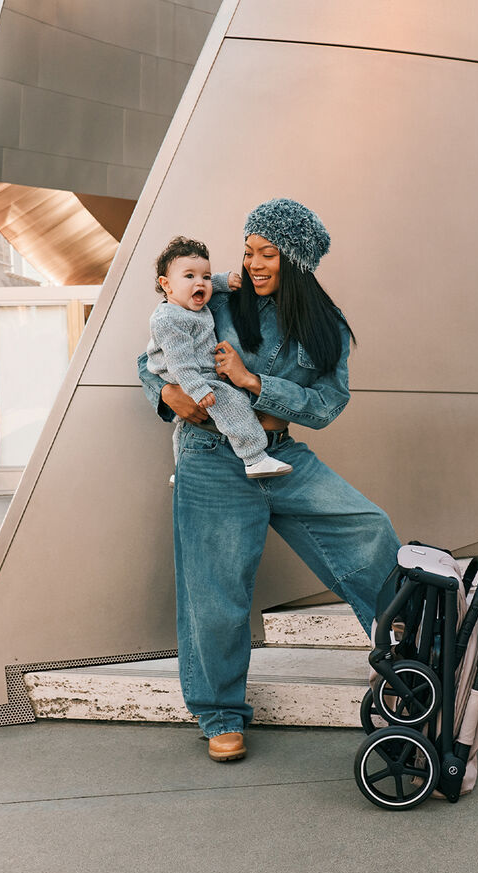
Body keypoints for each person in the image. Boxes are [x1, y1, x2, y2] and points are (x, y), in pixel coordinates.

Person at [138, 198, 402, 762]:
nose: (253, 263)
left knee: (368, 528)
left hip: (281, 456)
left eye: (268, 253)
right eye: (249, 250)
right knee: (216, 591)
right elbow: (154, 353)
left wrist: (257, 384)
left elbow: (328, 404)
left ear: (297, 261)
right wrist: (167, 394)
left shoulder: (323, 323)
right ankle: (218, 714)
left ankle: (407, 655)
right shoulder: (221, 295)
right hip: (212, 459)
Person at [146, 235, 292, 480]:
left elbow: (201, 282)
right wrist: (198, 389)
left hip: (193, 370)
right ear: (167, 285)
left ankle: (180, 471)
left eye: (205, 276)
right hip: (186, 373)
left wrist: (223, 280)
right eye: (190, 276)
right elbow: (180, 364)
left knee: (184, 422)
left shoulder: (188, 299)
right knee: (231, 402)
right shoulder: (170, 319)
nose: (201, 283)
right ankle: (254, 458)